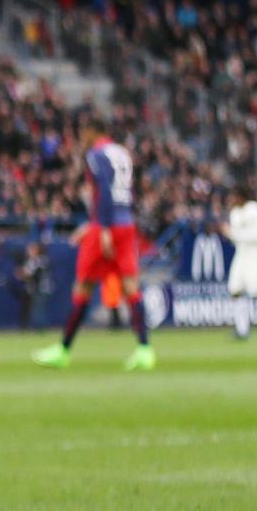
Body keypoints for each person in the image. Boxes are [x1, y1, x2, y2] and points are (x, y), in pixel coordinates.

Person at [35, 122, 155, 371]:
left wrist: (101, 228)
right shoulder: (122, 152)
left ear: (91, 131)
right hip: (126, 223)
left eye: (82, 133)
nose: (82, 138)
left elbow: (104, 192)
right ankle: (145, 349)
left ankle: (63, 351)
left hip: (107, 226)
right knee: (131, 286)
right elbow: (123, 193)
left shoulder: (96, 154)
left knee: (83, 287)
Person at [222, 190, 257, 343]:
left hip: (255, 254)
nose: (231, 199)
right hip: (241, 254)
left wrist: (233, 234)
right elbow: (236, 239)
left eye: (234, 196)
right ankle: (242, 330)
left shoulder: (255, 209)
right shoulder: (235, 213)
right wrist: (232, 234)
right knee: (235, 290)